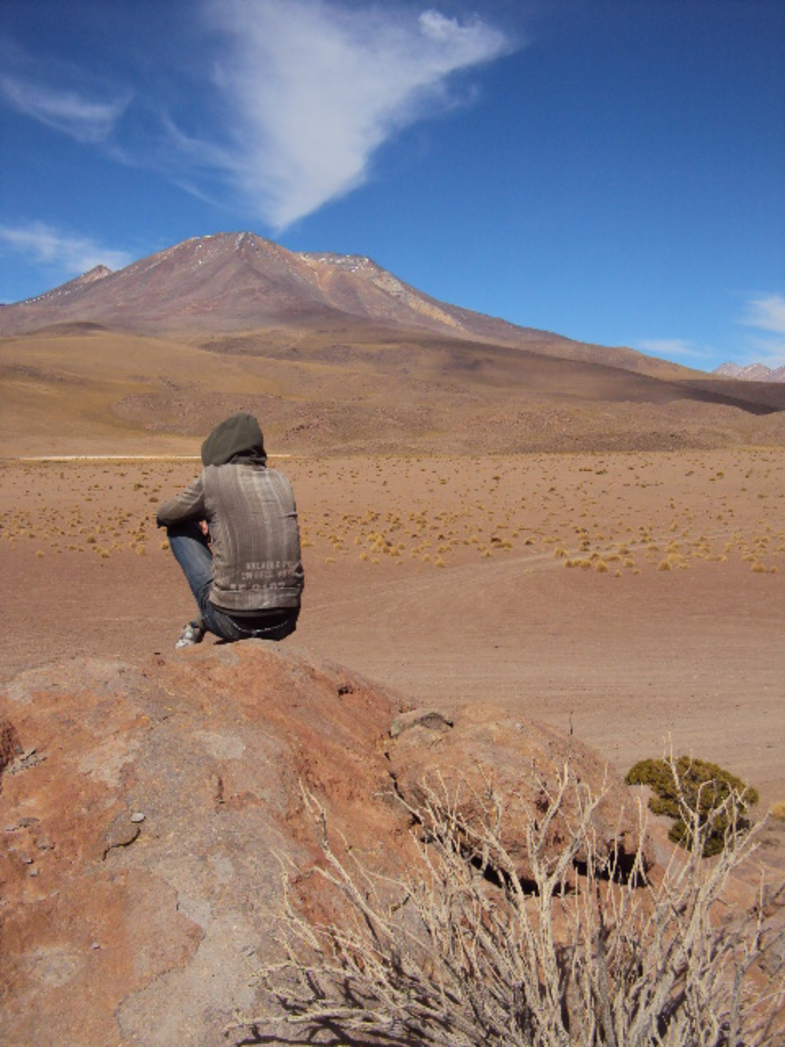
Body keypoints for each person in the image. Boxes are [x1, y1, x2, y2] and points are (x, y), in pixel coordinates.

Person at [156, 412, 304, 649]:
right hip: (285, 620)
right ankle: (200, 623)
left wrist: (201, 517)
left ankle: (203, 620)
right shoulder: (281, 480)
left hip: (231, 621)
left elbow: (165, 514)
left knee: (179, 526)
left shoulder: (213, 478)